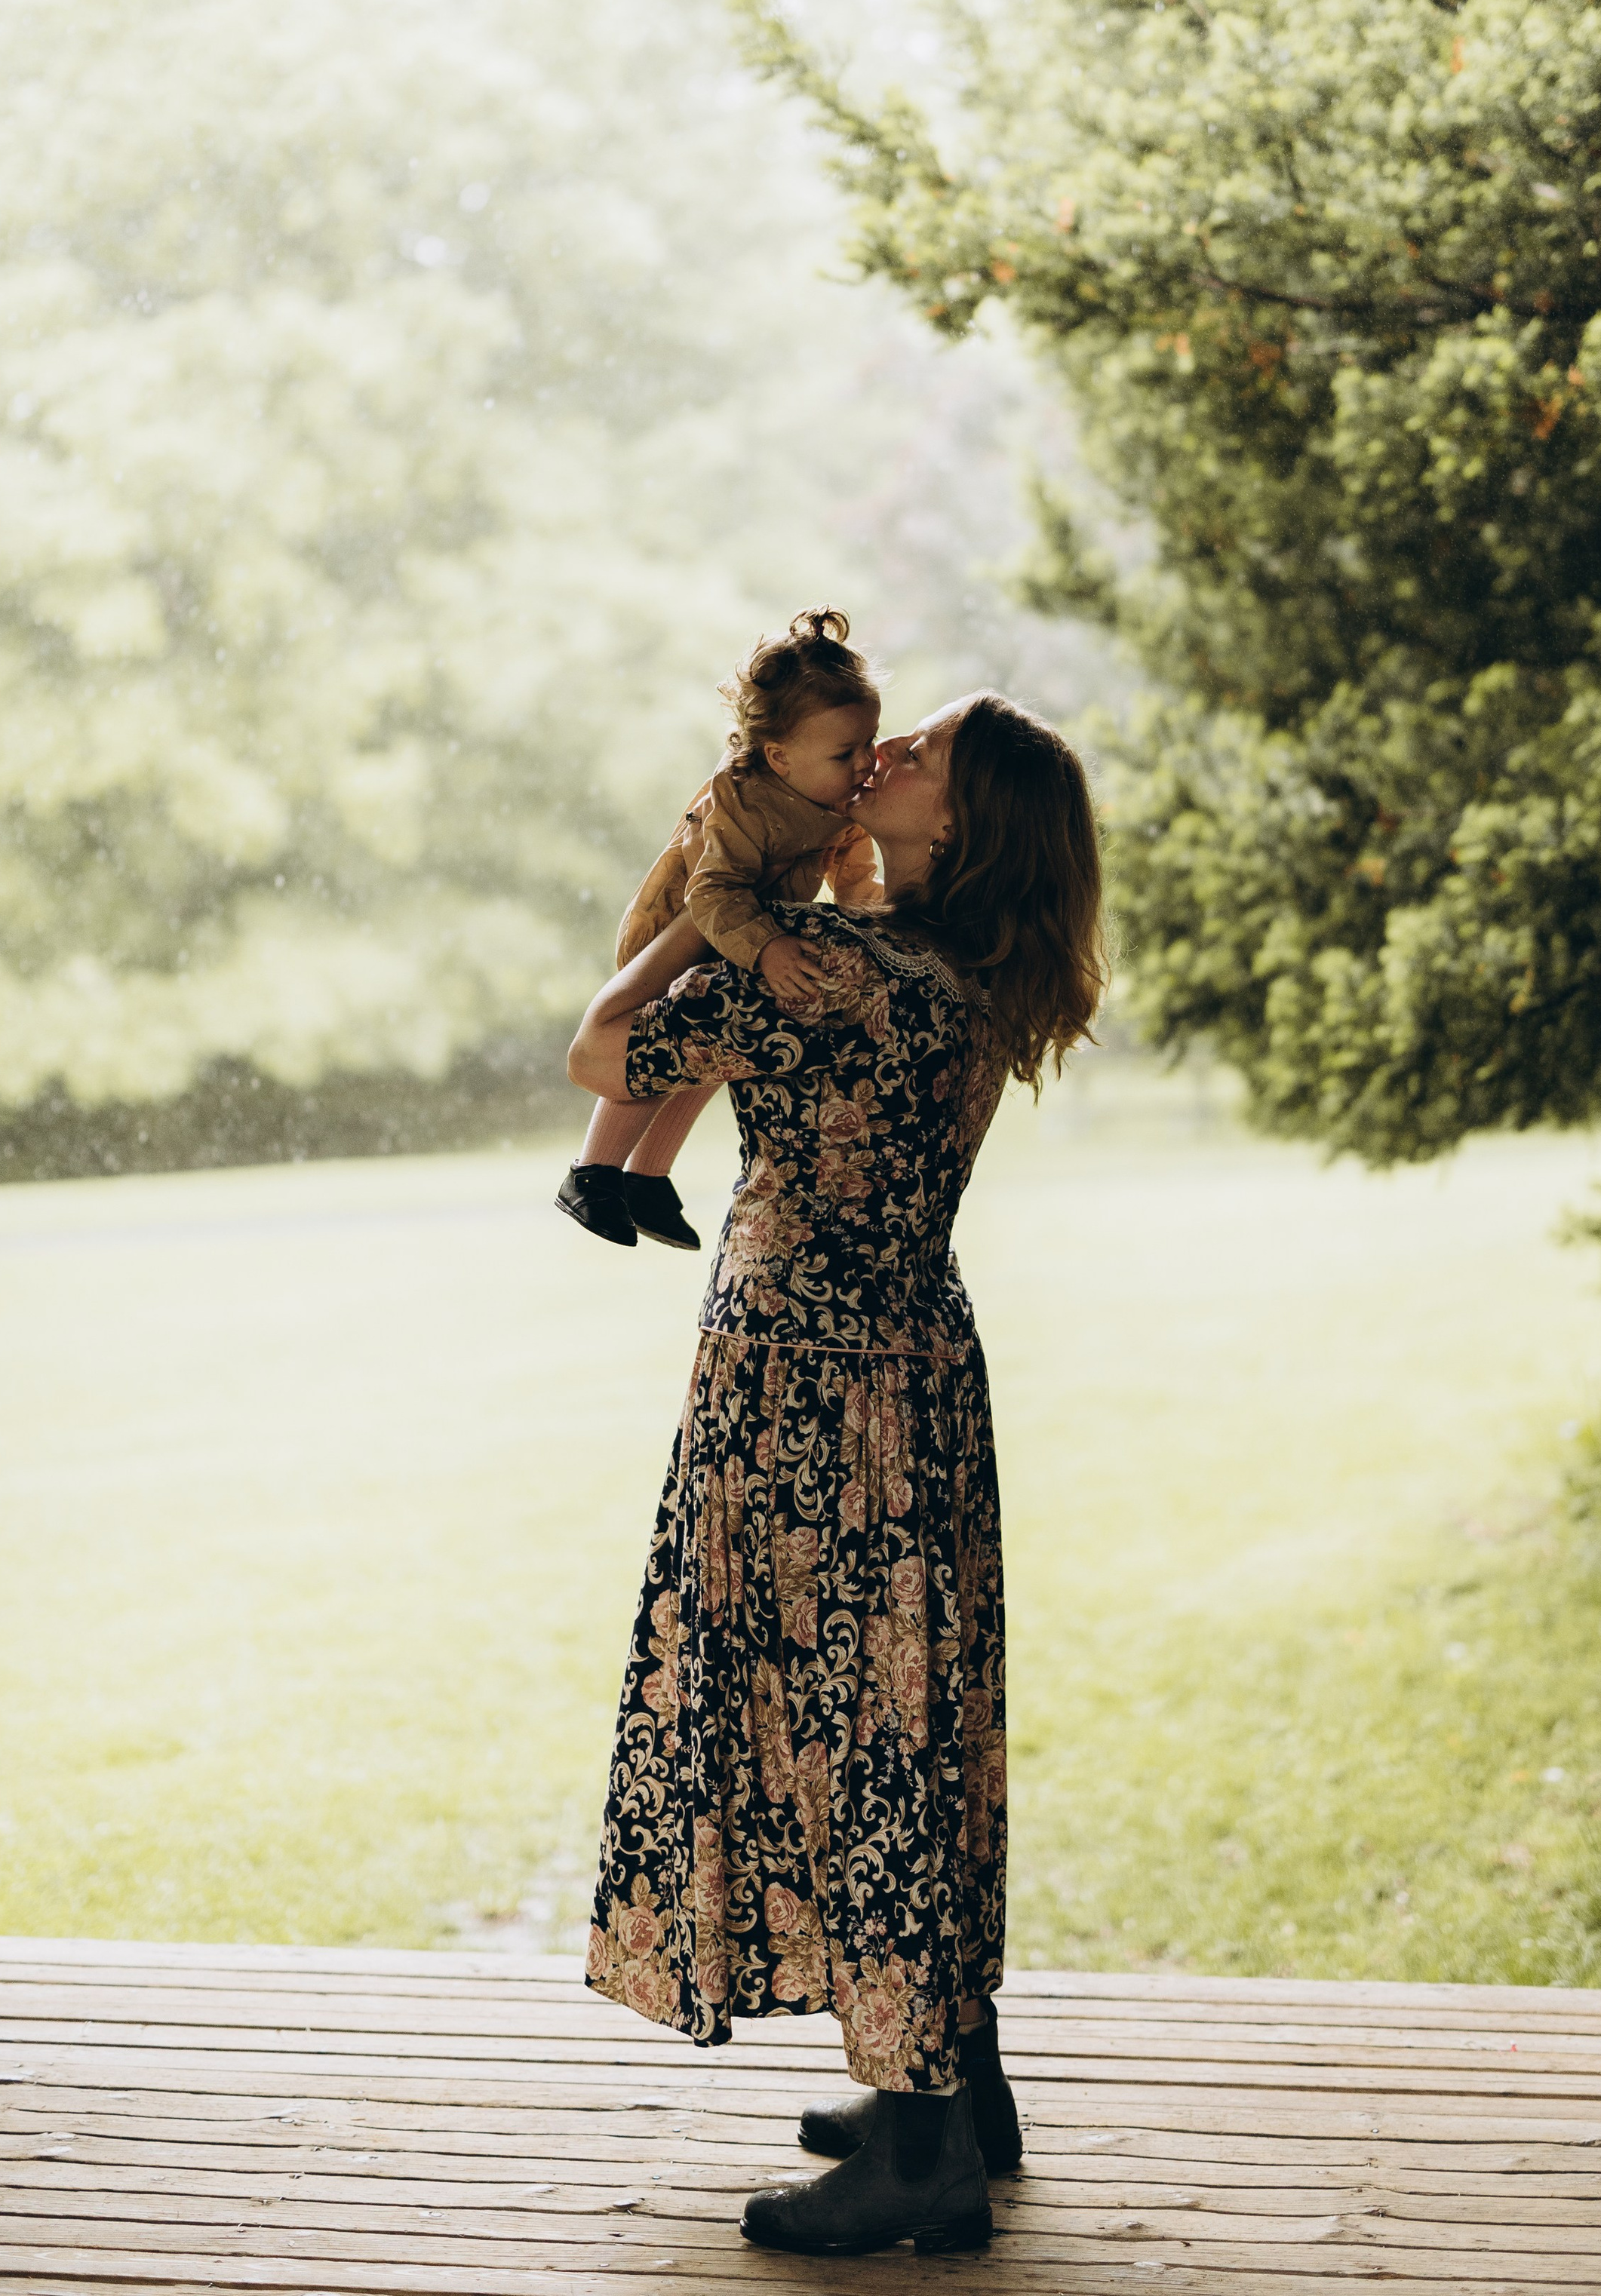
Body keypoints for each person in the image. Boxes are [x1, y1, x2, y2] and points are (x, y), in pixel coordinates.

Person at [567, 692, 1108, 2258]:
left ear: (959, 823)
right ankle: (953, 2082)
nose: (883, 758)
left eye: (918, 754)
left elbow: (596, 1049)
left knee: (855, 1737)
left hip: (805, 1393)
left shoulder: (842, 973)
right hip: (913, 1375)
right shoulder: (965, 971)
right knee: (910, 1720)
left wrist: (703, 913)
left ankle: (926, 2151)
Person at [555, 607, 881, 1252]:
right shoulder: (743, 798)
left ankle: (648, 1176)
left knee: (713, 1054)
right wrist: (765, 945)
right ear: (779, 756)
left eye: (871, 742)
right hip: (686, 926)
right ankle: (592, 1171)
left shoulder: (837, 800)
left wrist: (866, 924)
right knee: (658, 1048)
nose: (867, 762)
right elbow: (712, 888)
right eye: (847, 752)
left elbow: (854, 868)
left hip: (745, 941)